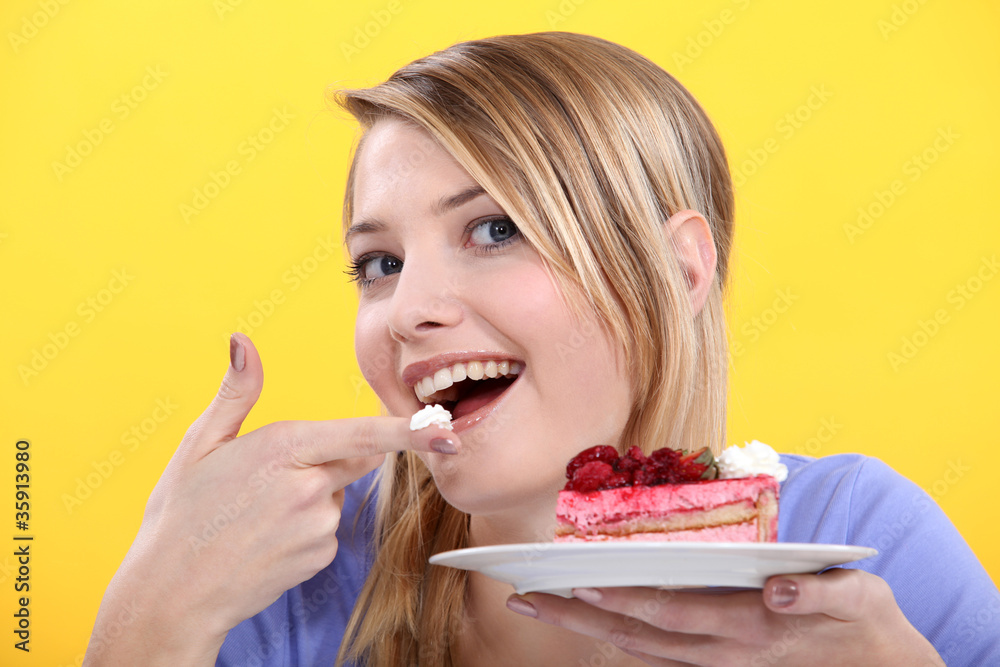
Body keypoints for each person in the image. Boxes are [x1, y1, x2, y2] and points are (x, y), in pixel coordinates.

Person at [86, 32, 999, 666]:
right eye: (379, 262)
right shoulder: (293, 577)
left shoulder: (859, 542)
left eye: (492, 229)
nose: (407, 310)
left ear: (679, 273)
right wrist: (152, 610)